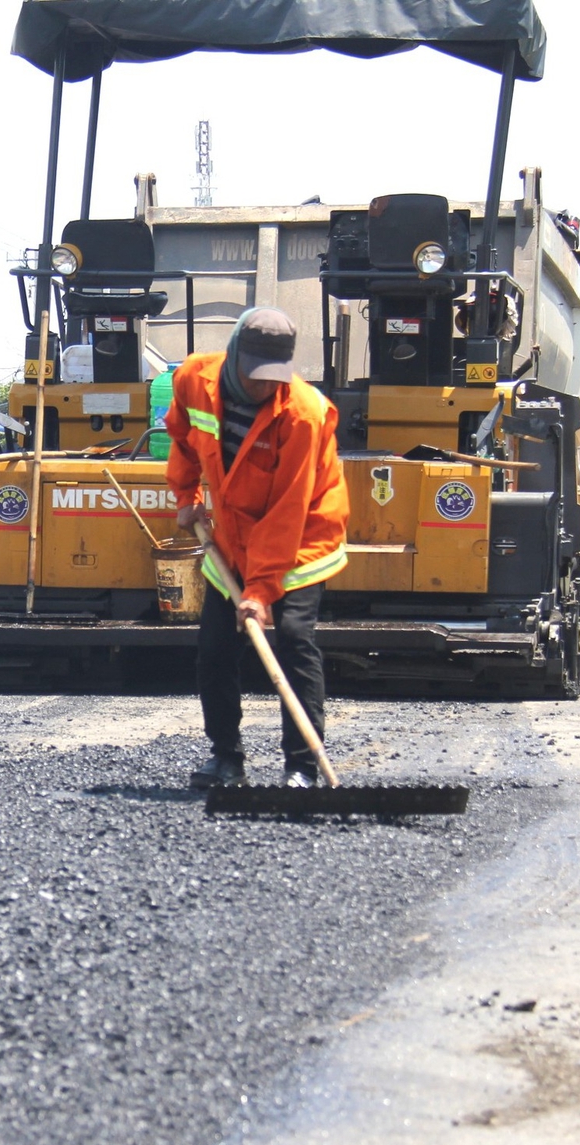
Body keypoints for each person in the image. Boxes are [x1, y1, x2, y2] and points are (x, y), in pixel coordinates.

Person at [166, 307, 349, 789]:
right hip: (229, 532)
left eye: (274, 377)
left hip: (303, 534)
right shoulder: (193, 379)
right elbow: (182, 437)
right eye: (255, 375)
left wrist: (261, 592)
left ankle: (302, 768)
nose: (265, 387)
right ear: (232, 356)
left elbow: (287, 511)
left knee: (292, 638)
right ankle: (226, 758)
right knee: (215, 646)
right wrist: (188, 496)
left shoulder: (303, 415)